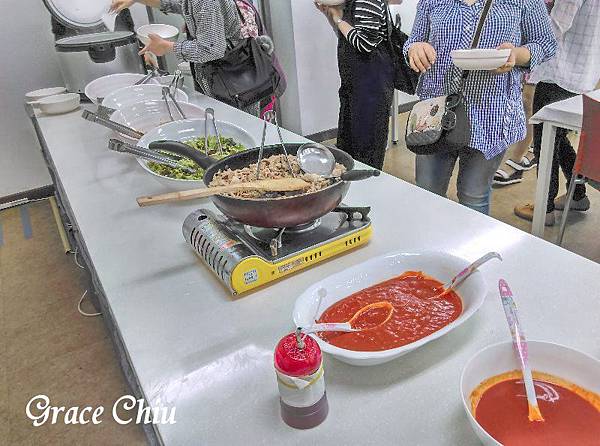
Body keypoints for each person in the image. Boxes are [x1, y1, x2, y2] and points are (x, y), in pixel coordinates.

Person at [404, 0, 557, 215]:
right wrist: (415, 48)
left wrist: (516, 55)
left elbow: (545, 43)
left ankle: (471, 249)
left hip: (491, 114)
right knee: (428, 191)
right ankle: (430, 246)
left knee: (473, 196)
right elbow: (413, 41)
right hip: (438, 113)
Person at [514, 0, 600, 226]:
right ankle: (577, 195)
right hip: (585, 71)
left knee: (546, 144)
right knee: (557, 138)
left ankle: (545, 208)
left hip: (559, 72)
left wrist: (522, 51)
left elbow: (555, 27)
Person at [109, 0, 267, 115]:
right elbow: (178, 4)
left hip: (233, 83)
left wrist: (168, 47)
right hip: (228, 75)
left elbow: (212, 49)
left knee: (241, 128)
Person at [315, 0, 395, 170]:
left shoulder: (368, 1)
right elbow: (347, 36)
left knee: (366, 152)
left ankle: (367, 192)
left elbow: (364, 44)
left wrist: (338, 19)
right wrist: (331, 16)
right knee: (348, 148)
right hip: (354, 85)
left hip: (372, 87)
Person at [493, 0, 555, 186]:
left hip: (543, 53)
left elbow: (551, 33)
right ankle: (524, 152)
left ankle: (518, 158)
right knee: (527, 102)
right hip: (524, 51)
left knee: (531, 104)